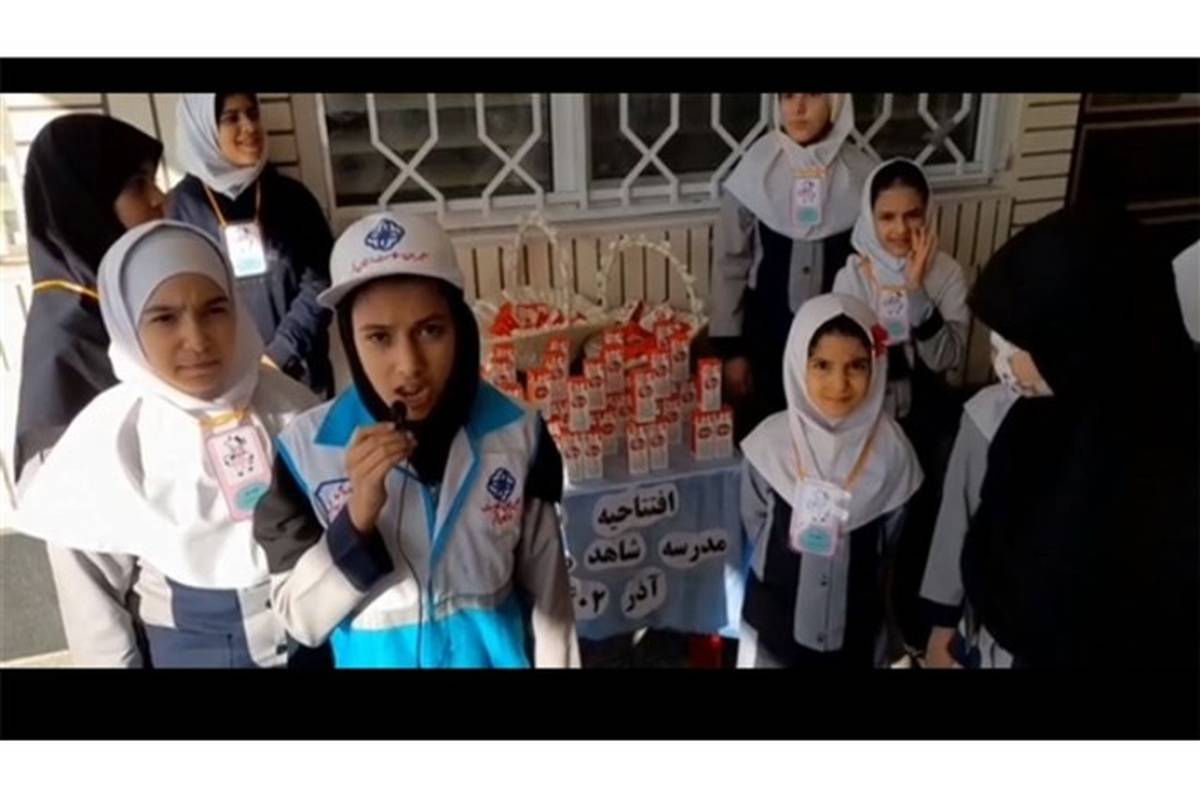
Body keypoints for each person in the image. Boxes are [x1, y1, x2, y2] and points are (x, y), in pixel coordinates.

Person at [254, 211, 580, 668]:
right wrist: (357, 519)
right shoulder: (306, 452)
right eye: (379, 337)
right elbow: (302, 623)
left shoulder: (517, 435)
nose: (409, 365)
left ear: (460, 328)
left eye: (431, 331)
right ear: (349, 339)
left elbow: (551, 610)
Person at [15, 221, 324, 667]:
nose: (197, 340)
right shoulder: (108, 442)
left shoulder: (293, 408)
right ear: (126, 322)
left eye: (215, 310)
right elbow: (96, 620)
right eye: (164, 317)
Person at [922, 205, 1198, 669]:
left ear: (1083, 339)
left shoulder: (1170, 472)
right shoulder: (1039, 418)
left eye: (1019, 344)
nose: (1001, 364)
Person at [737, 293, 922, 668]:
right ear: (797, 363)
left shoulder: (893, 454)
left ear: (876, 367)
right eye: (822, 365)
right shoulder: (769, 446)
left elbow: (892, 542)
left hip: (858, 634)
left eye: (856, 366)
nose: (839, 384)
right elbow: (754, 523)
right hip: (774, 628)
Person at [831, 157, 969, 653]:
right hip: (871, 415)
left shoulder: (947, 273)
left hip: (929, 413)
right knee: (872, 522)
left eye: (912, 215)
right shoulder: (853, 276)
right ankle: (863, 626)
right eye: (886, 217)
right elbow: (845, 361)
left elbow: (948, 359)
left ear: (927, 215)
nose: (900, 230)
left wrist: (915, 292)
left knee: (925, 522)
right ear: (870, 218)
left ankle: (914, 628)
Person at [711, 93, 876, 438]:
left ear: (836, 102)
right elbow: (730, 265)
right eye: (787, 95)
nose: (797, 108)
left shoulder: (863, 178)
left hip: (838, 348)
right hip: (767, 337)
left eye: (812, 94)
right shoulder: (755, 172)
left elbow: (877, 273)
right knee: (769, 435)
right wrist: (732, 351)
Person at [14, 114, 166, 487]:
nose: (158, 198)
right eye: (138, 184)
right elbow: (63, 502)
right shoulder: (64, 342)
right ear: (82, 205)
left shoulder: (112, 303)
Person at [167, 92, 334, 396]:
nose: (250, 127)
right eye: (231, 118)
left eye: (252, 113)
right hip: (223, 384)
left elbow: (321, 281)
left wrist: (280, 353)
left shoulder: (291, 198)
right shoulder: (180, 209)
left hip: (300, 376)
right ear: (203, 128)